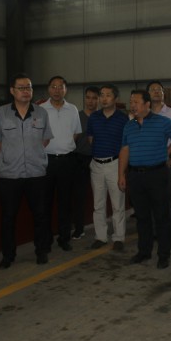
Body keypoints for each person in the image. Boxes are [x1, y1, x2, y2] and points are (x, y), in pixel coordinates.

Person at [0, 73, 54, 269]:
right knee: (8, 217)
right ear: (12, 91)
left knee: (40, 214)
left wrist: (32, 153)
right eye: (22, 88)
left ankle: (41, 251)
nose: (26, 91)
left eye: (29, 88)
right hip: (10, 174)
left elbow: (45, 139)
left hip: (36, 173)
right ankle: (8, 255)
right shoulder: (1, 113)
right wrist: (11, 154)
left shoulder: (41, 113)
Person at [118, 90, 171, 269]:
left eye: (136, 102)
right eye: (131, 102)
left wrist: (168, 151)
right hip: (135, 176)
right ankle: (144, 251)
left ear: (147, 104)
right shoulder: (129, 126)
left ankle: (164, 255)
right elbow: (124, 150)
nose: (132, 105)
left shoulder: (162, 122)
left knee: (161, 216)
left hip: (157, 174)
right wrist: (121, 175)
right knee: (142, 217)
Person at [41, 76, 82, 252]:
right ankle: (46, 240)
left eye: (61, 87)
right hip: (46, 161)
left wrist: (65, 145)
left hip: (67, 161)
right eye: (54, 86)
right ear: (48, 89)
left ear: (66, 90)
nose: (57, 90)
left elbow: (76, 133)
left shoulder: (72, 109)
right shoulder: (40, 110)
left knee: (65, 202)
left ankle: (64, 238)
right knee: (45, 202)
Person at [87, 84, 129, 250]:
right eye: (102, 95)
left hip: (114, 164)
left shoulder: (123, 119)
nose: (104, 98)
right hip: (96, 165)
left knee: (117, 204)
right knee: (98, 204)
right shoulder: (94, 117)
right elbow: (91, 139)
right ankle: (101, 237)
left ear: (116, 98)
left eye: (108, 95)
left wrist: (122, 171)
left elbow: (126, 145)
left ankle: (119, 238)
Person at [147, 80, 171, 224]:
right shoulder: (144, 113)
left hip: (166, 161)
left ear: (163, 94)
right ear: (148, 94)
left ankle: (168, 229)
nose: (156, 92)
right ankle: (153, 228)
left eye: (159, 90)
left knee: (166, 197)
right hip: (148, 163)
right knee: (150, 198)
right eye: (153, 89)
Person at [72, 86, 100, 240]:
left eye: (94, 98)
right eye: (88, 97)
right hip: (80, 160)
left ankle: (100, 229)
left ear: (99, 100)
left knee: (99, 195)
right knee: (79, 196)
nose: (91, 101)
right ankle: (79, 228)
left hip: (98, 159)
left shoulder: (102, 117)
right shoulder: (77, 116)